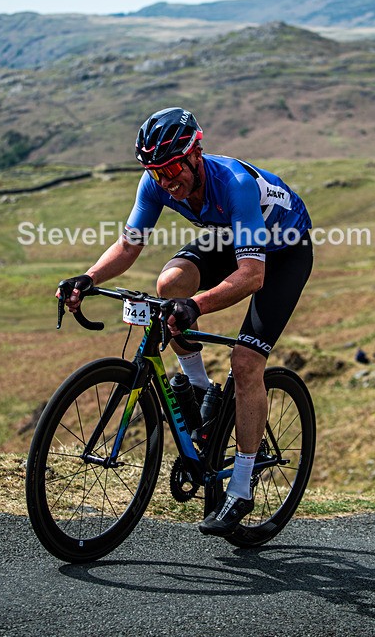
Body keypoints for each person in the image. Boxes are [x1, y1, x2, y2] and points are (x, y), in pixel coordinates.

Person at [60, 107, 313, 536]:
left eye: (173, 168)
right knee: (169, 285)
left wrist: (196, 306)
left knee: (245, 361)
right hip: (234, 235)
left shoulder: (234, 184)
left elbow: (253, 276)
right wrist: (89, 277)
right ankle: (198, 386)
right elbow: (129, 245)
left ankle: (241, 485)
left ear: (196, 154)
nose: (166, 180)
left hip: (285, 250)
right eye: (157, 172)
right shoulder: (156, 183)